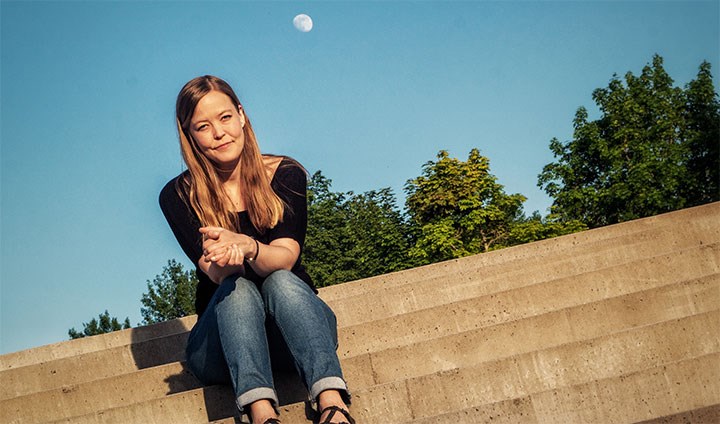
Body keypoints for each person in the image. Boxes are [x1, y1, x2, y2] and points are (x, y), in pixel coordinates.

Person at [159, 75, 354, 424]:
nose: (219, 133)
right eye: (203, 126)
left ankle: (332, 404)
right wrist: (227, 260)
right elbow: (216, 274)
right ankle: (261, 413)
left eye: (225, 118)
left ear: (241, 114)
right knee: (238, 289)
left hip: (296, 330)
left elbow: (286, 256)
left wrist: (248, 246)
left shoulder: (285, 173)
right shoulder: (178, 195)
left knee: (280, 280)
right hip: (221, 346)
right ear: (190, 136)